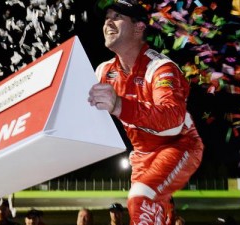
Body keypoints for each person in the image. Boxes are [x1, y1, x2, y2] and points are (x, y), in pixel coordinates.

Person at [88, 0, 204, 224]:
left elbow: (173, 120)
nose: (108, 22)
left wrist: (119, 105)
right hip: (142, 155)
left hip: (178, 145)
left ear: (139, 27)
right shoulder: (103, 71)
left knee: (141, 198)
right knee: (141, 214)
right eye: (107, 16)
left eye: (117, 16)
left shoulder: (160, 68)